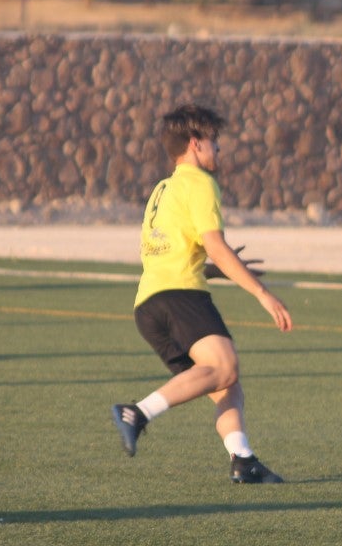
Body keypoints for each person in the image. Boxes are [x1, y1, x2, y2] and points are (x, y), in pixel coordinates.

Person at [110, 103, 293, 484]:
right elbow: (216, 246)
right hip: (181, 297)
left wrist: (214, 270)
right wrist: (262, 293)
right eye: (214, 141)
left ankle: (243, 460)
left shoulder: (162, 189)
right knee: (226, 367)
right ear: (195, 143)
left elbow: (172, 254)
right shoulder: (200, 183)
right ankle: (137, 413)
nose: (218, 149)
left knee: (226, 385)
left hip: (149, 307)